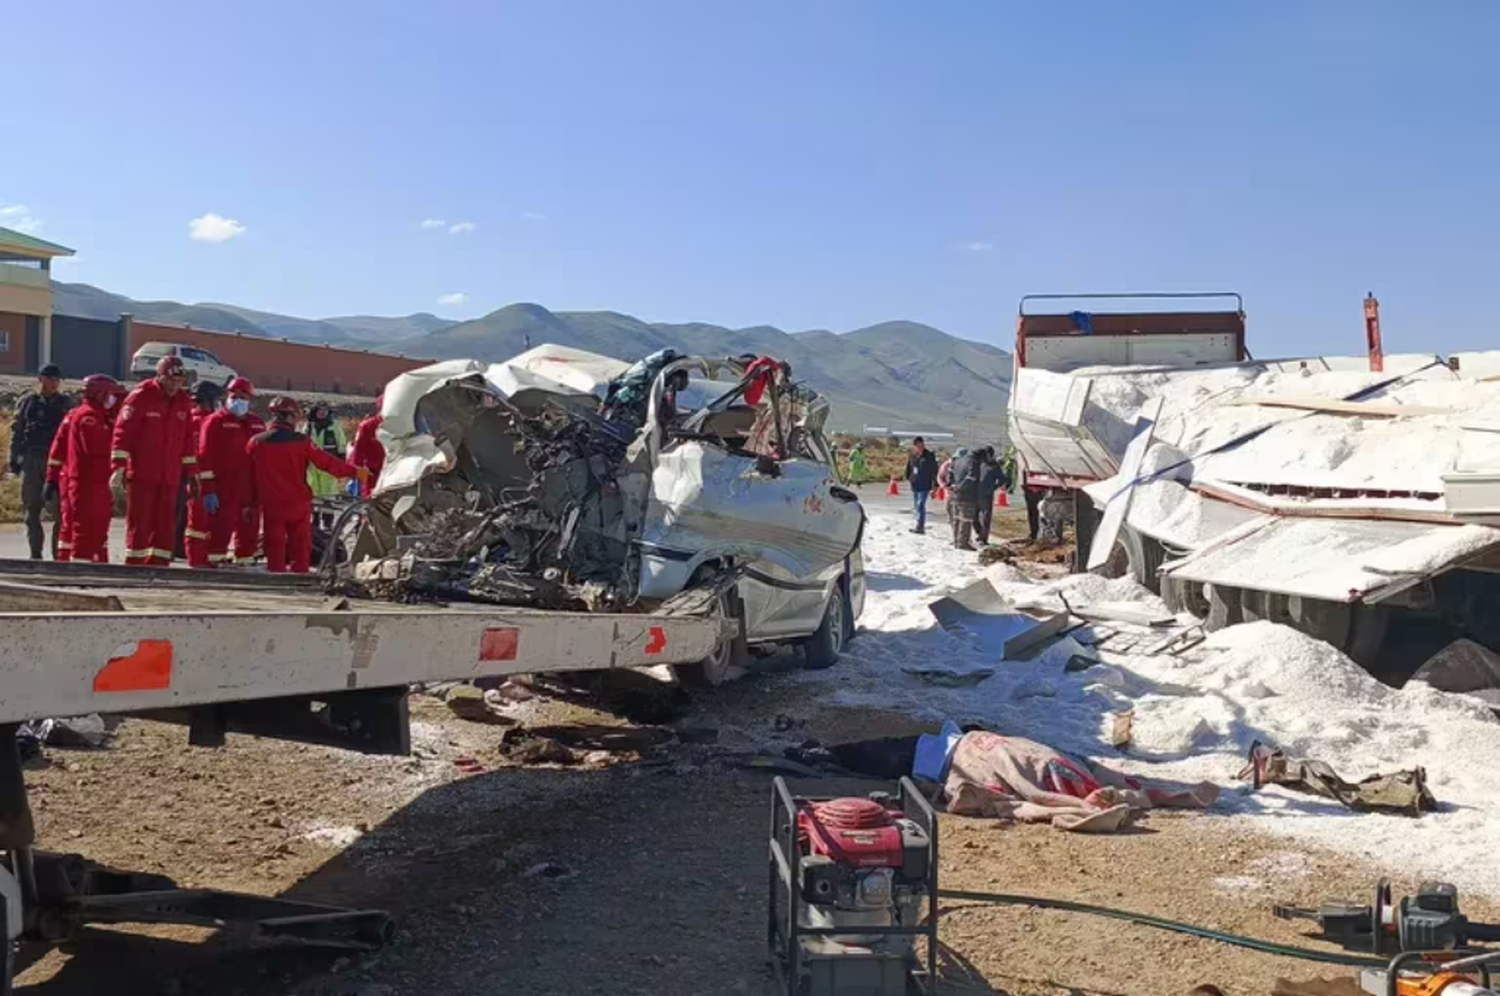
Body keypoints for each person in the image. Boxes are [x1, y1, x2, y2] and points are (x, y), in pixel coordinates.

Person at [249, 397, 365, 573]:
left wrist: (250, 502)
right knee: (301, 545)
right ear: (289, 416)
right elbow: (327, 463)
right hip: (298, 501)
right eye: (295, 416)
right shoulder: (302, 442)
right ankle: (300, 576)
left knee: (275, 543)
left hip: (272, 503)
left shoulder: (256, 442)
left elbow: (248, 475)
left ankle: (276, 574)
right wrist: (356, 472)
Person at [111, 355, 197, 566]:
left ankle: (159, 565)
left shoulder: (183, 401)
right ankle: (135, 565)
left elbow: (188, 439)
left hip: (170, 476)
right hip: (143, 474)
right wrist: (118, 468)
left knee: (165, 524)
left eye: (179, 381)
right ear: (160, 376)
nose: (175, 385)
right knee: (140, 522)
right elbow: (123, 433)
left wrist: (192, 471)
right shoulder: (140, 397)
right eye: (171, 381)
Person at [187, 377, 264, 568]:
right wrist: (208, 489)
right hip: (223, 490)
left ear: (250, 399)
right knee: (219, 532)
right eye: (234, 396)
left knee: (248, 534)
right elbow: (205, 458)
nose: (238, 400)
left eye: (243, 396)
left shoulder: (257, 423)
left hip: (249, 491)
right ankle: (214, 568)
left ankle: (245, 567)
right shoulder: (214, 422)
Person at [47, 375, 124, 564]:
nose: (112, 399)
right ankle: (80, 569)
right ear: (99, 394)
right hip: (88, 481)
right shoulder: (89, 417)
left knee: (97, 528)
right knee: (85, 529)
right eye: (110, 395)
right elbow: (97, 447)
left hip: (94, 481)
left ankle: (94, 564)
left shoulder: (90, 414)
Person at [8, 364, 72, 559]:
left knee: (60, 512)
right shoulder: (28, 402)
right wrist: (14, 458)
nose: (54, 383)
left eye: (57, 379)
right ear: (41, 379)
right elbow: (18, 431)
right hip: (31, 459)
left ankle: (58, 557)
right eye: (50, 378)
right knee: (31, 510)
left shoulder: (65, 403)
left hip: (56, 462)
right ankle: (35, 554)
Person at [176, 380, 225, 558]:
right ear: (207, 400)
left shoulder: (199, 419)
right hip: (198, 478)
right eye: (217, 400)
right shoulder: (201, 421)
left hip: (199, 477)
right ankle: (195, 557)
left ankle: (193, 553)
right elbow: (199, 455)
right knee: (197, 520)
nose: (220, 404)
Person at [301, 403, 348, 498]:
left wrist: (341, 463)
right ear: (315, 412)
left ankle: (328, 512)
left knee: (329, 489)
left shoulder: (335, 426)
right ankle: (315, 511)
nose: (322, 412)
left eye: (325, 410)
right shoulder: (308, 427)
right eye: (320, 410)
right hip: (312, 465)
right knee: (312, 488)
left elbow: (341, 445)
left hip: (329, 464)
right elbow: (301, 444)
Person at [347, 394, 386, 498]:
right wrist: (355, 471)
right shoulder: (368, 426)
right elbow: (358, 450)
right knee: (369, 503)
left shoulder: (402, 426)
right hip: (372, 473)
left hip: (392, 472)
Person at [971, 446, 1011, 545]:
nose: (985, 457)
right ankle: (979, 533)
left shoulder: (995, 466)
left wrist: (993, 487)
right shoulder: (979, 464)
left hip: (987, 495)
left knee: (986, 518)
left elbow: (1002, 479)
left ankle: (984, 539)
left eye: (987, 455)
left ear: (990, 455)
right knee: (973, 516)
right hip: (975, 493)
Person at [904, 436, 938, 535]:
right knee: (916, 506)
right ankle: (918, 524)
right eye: (917, 445)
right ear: (914, 446)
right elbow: (909, 468)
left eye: (921, 445)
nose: (920, 447)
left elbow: (935, 471)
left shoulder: (929, 456)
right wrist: (909, 479)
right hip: (915, 484)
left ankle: (920, 527)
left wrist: (934, 487)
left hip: (925, 485)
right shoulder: (912, 456)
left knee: (920, 505)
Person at [948, 447, 980, 550]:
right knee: (966, 519)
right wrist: (960, 487)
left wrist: (954, 486)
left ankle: (956, 540)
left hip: (954, 494)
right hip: (967, 495)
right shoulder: (973, 462)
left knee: (956, 518)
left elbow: (950, 475)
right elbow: (971, 478)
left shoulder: (957, 461)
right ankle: (963, 543)